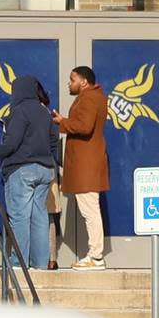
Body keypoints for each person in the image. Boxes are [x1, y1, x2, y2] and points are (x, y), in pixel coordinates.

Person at [0, 75, 59, 269]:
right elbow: (54, 141)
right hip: (45, 170)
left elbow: (12, 142)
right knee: (40, 216)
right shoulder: (44, 111)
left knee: (19, 217)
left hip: (22, 169)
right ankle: (40, 264)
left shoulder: (19, 111)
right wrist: (55, 162)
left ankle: (18, 262)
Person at [52, 65, 109, 270]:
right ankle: (95, 255)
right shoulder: (94, 98)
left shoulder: (90, 98)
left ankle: (96, 256)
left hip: (86, 164)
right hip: (86, 163)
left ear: (84, 81)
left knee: (90, 211)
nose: (69, 83)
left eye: (72, 79)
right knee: (90, 210)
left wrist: (62, 122)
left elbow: (84, 126)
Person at [36, 82, 63, 270]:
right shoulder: (47, 114)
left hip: (36, 166)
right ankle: (51, 258)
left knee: (36, 214)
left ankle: (39, 257)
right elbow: (55, 140)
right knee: (49, 214)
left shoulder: (27, 112)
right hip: (49, 166)